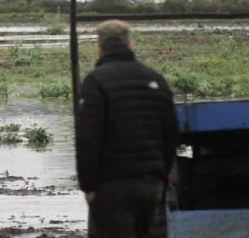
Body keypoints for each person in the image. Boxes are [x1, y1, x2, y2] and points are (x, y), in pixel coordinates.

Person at [76, 20, 180, 238]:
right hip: (151, 185)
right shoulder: (156, 79)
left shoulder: (95, 82)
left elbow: (88, 138)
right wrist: (161, 177)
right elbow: (170, 135)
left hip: (112, 188)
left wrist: (88, 186)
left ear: (99, 47)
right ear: (129, 44)